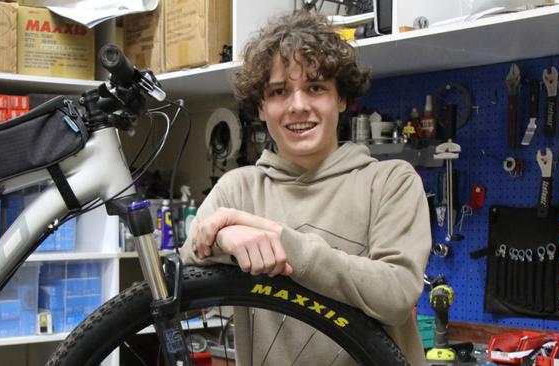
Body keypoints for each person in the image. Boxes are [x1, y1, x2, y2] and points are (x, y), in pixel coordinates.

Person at [180, 10, 431, 366]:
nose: (298, 106)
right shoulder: (238, 191)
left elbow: (397, 294)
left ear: (341, 100)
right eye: (279, 91)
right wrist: (224, 238)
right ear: (262, 108)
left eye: (315, 87)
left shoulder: (390, 182)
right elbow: (181, 272)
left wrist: (289, 247)